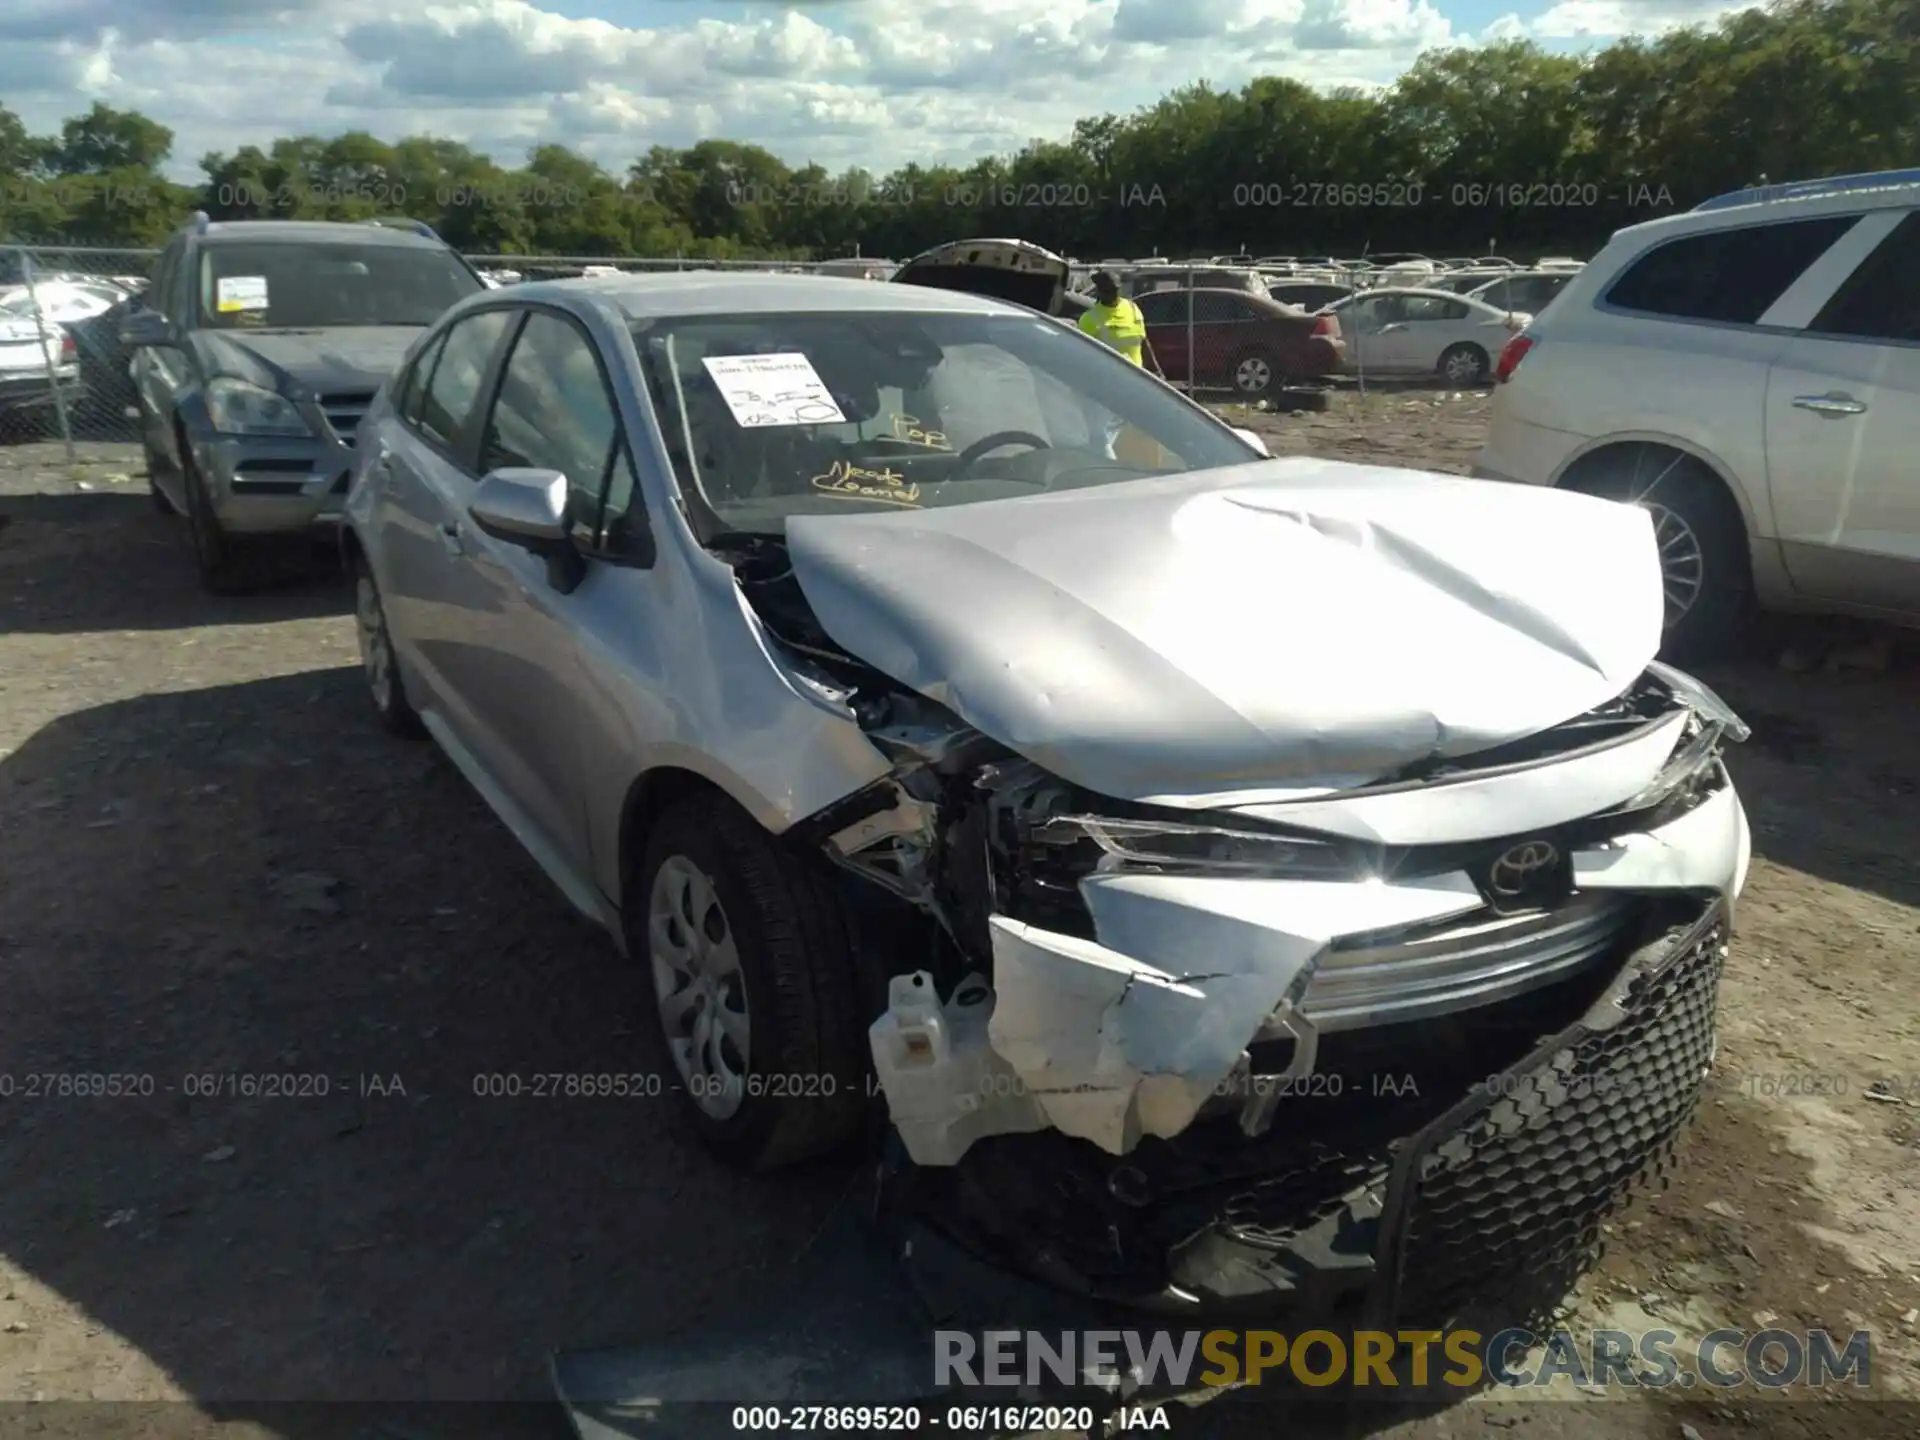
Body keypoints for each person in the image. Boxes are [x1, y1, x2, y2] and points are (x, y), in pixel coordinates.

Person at [1076, 271, 1149, 459]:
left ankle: (1104, 467)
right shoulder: (1090, 319)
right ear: (1098, 292)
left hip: (1132, 382)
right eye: (1108, 291)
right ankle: (1104, 466)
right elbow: (1083, 358)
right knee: (1100, 436)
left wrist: (1155, 371)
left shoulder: (1133, 309)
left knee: (1103, 436)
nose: (1113, 295)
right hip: (1104, 387)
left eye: (1115, 290)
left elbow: (1143, 342)